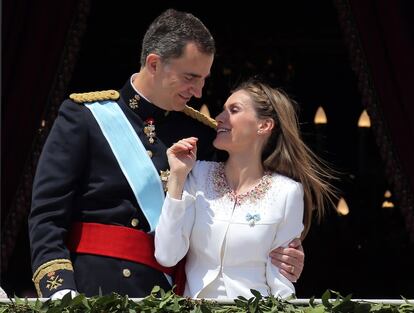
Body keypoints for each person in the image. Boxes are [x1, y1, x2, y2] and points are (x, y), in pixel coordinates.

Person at [28, 9, 303, 299]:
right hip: (91, 290)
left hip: (168, 294)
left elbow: (237, 202)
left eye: (203, 79)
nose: (198, 91)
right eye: (190, 77)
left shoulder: (205, 135)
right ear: (154, 64)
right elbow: (47, 216)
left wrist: (283, 252)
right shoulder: (85, 118)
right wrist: (59, 293)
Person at [155, 80, 335, 299]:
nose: (219, 118)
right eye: (223, 110)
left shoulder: (288, 192)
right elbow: (166, 255)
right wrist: (177, 178)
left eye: (234, 110)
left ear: (264, 126)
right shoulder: (197, 174)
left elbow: (281, 279)